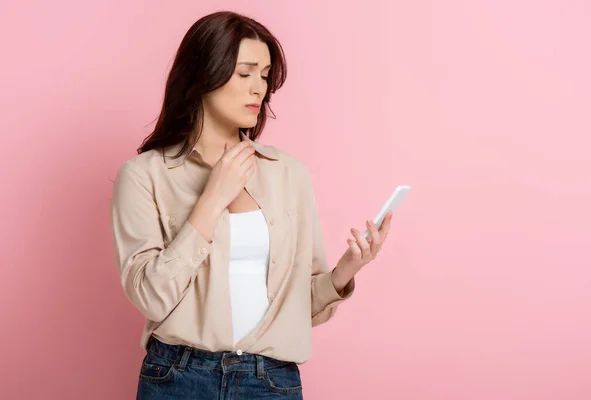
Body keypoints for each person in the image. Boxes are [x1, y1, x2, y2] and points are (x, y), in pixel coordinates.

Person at [110, 10, 393, 400]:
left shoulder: (288, 174)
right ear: (203, 75)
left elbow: (302, 309)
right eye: (245, 74)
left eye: (264, 76)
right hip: (178, 377)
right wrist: (212, 199)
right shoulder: (145, 175)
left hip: (271, 381)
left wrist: (346, 270)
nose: (258, 88)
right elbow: (150, 296)